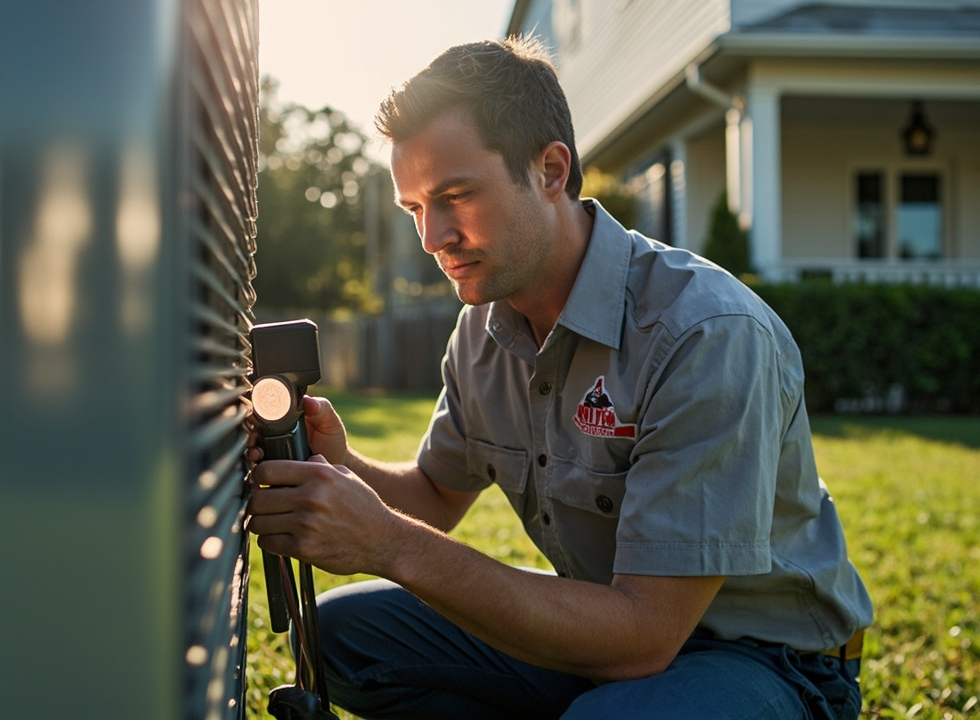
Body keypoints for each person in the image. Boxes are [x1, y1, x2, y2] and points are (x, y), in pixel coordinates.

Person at [247, 35, 873, 719]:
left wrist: (389, 545)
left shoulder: (705, 333)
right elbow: (433, 495)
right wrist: (336, 463)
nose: (432, 238)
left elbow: (644, 636)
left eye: (456, 195)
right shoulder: (483, 330)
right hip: (605, 632)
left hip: (767, 660)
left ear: (550, 170)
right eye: (416, 208)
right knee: (345, 637)